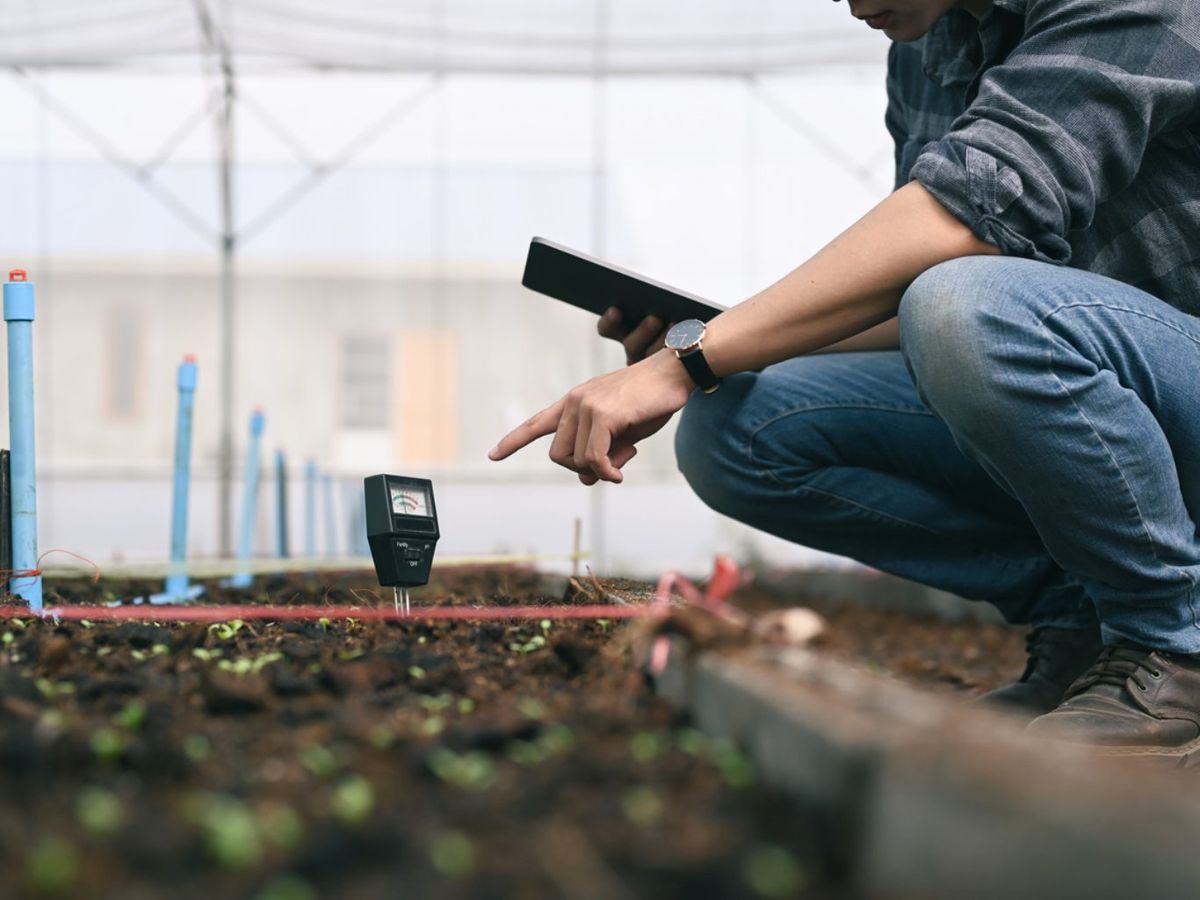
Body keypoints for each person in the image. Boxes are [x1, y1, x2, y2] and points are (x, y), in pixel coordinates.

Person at [489, 0, 1200, 761]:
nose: (848, 2)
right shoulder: (925, 49)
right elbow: (912, 290)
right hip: (1095, 397)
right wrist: (706, 349)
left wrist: (688, 359)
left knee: (965, 306)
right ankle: (1086, 625)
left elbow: (970, 220)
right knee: (735, 427)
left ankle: (1173, 642)